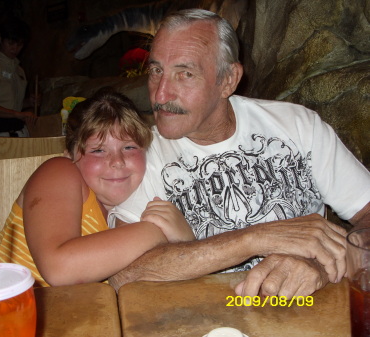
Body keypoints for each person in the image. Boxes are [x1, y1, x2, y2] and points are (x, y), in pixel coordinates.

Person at [108, 9, 370, 297]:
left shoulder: (297, 126)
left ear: (229, 80)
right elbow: (122, 274)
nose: (159, 95)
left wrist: (320, 266)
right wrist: (252, 239)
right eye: (156, 71)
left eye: (185, 74)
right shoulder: (138, 156)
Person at [0, 87, 194, 287]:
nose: (117, 161)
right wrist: (159, 231)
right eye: (98, 150)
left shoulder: (126, 213)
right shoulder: (59, 171)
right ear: (70, 155)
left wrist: (185, 241)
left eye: (129, 147)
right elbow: (59, 268)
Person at [0, 17, 38, 158]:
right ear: (0, 38)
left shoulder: (19, 70)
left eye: (20, 44)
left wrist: (28, 102)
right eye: (11, 43)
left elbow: (11, 103)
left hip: (14, 126)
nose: (15, 48)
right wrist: (17, 114)